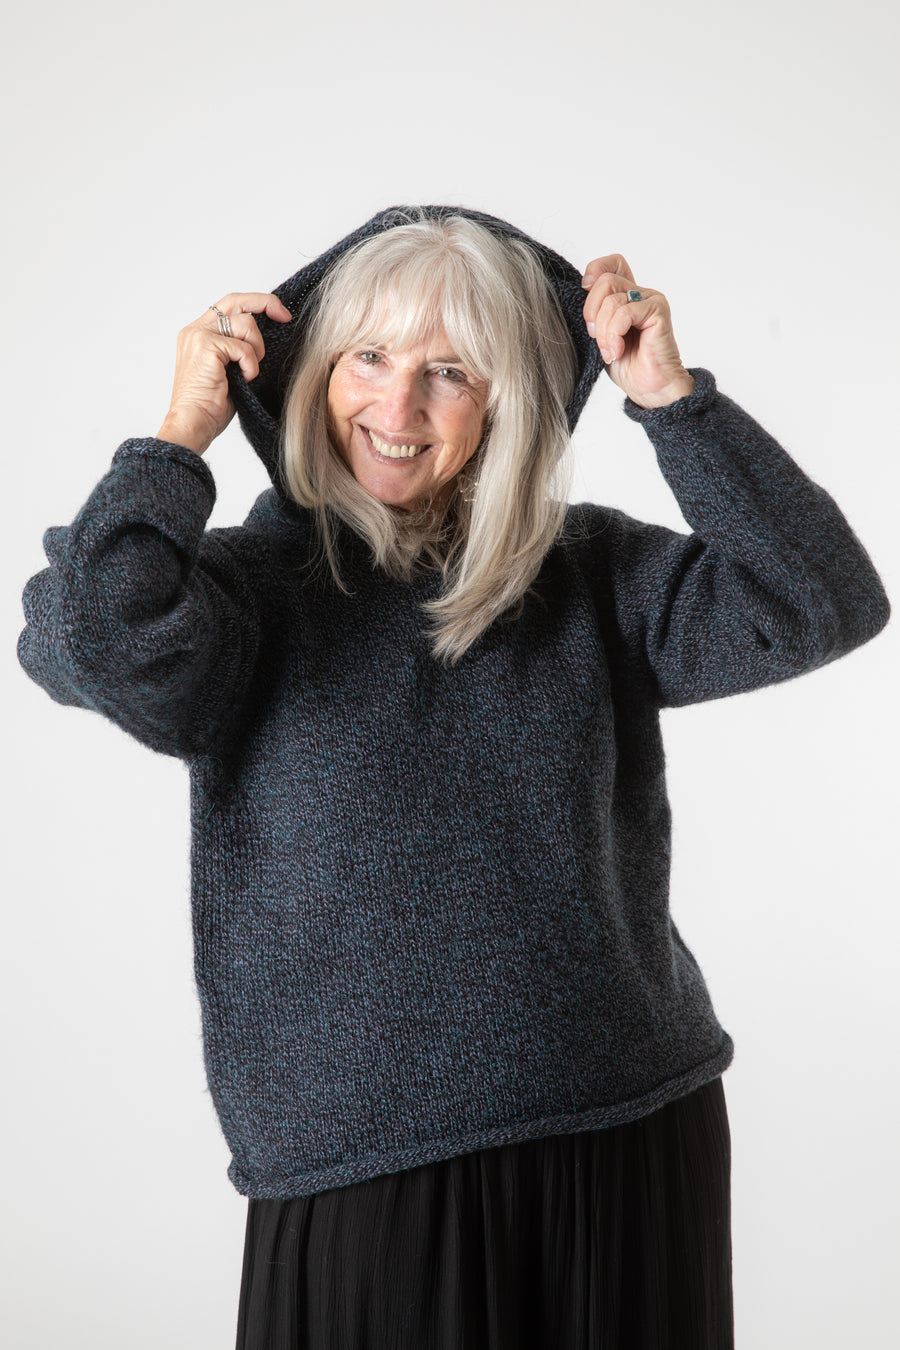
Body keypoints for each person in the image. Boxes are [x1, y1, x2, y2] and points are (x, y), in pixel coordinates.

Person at [17, 205, 890, 1350]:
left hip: (625, 1126)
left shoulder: (588, 572)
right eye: (367, 358)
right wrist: (180, 435)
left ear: (508, 400)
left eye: (451, 371)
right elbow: (95, 631)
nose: (398, 406)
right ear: (313, 370)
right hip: (361, 1167)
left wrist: (676, 404)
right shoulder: (235, 596)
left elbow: (823, 601)